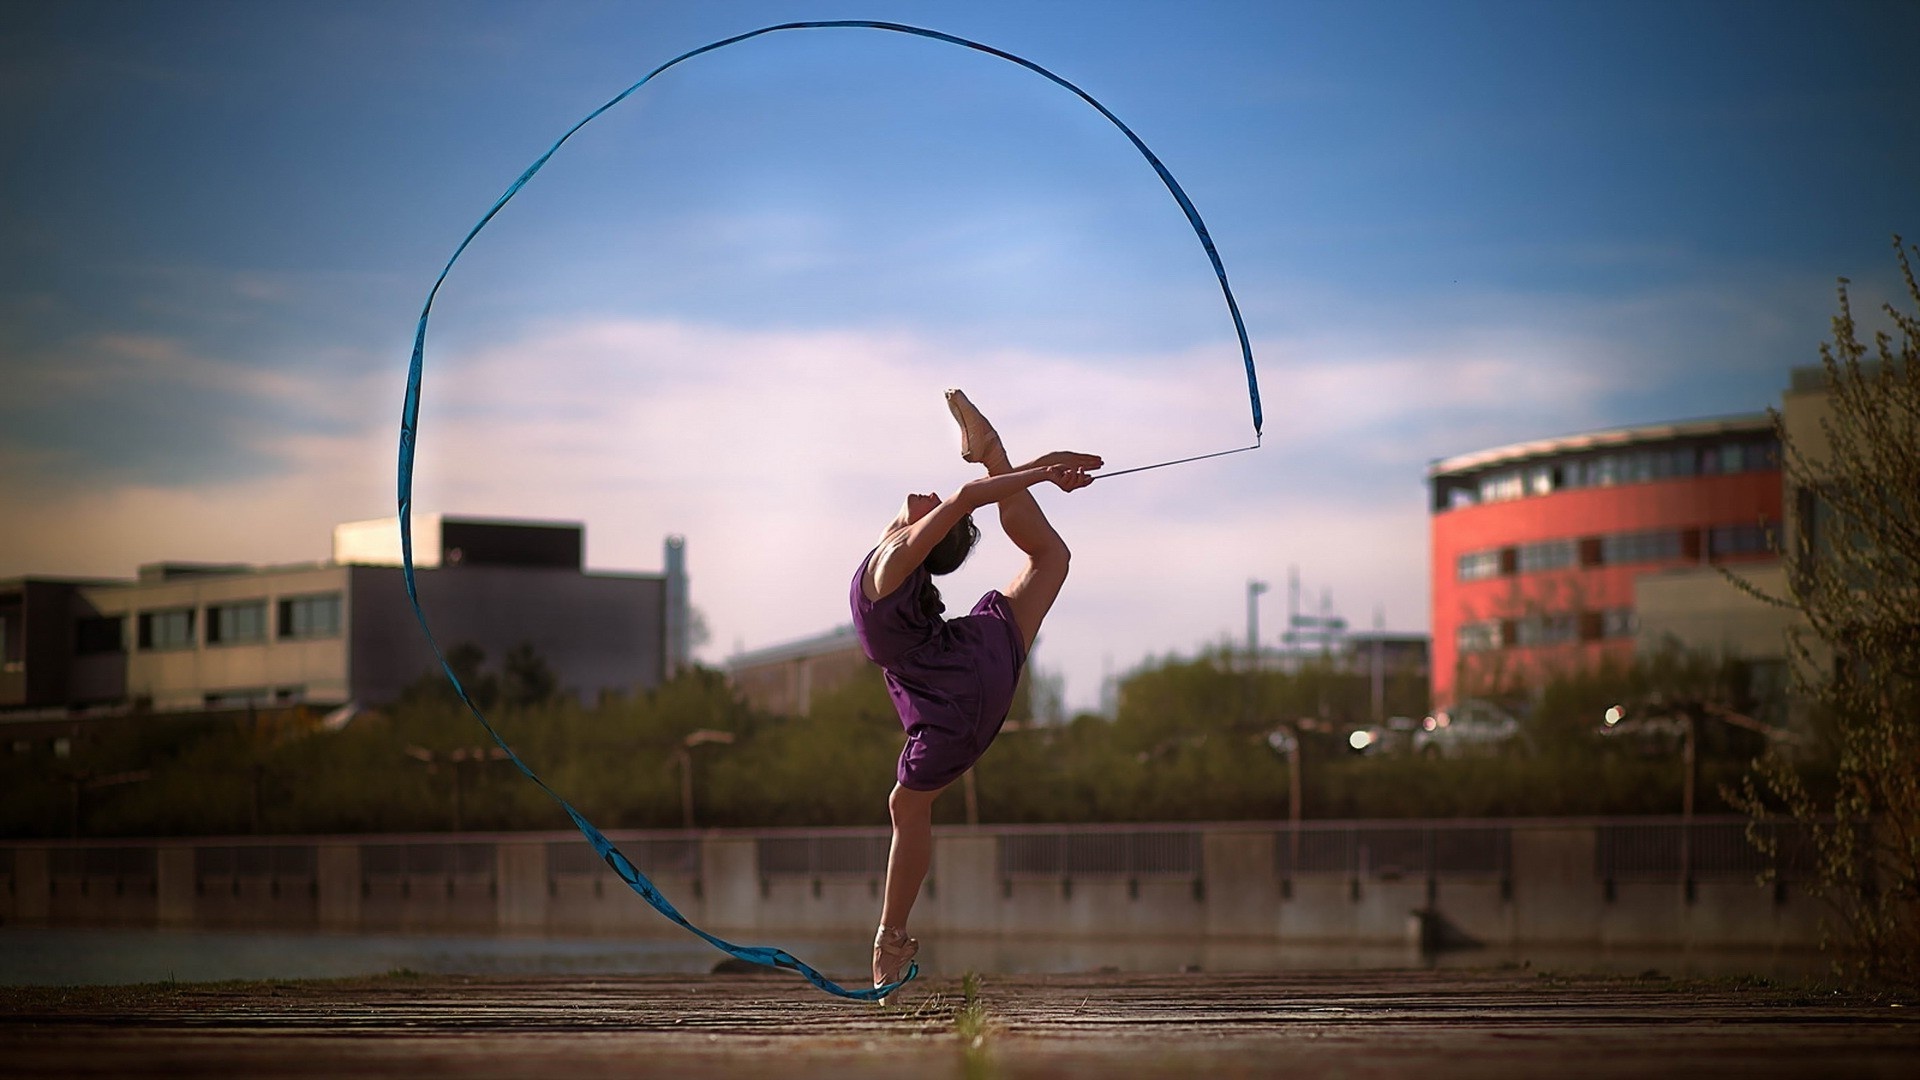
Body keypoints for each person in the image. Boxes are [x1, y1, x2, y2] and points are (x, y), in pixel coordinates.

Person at [852, 389, 1101, 996]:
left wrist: (1041, 471)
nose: (932, 500)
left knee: (906, 809)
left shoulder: (893, 561)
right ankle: (989, 451)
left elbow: (962, 506)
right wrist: (1035, 470)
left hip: (956, 684)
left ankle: (890, 938)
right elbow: (958, 506)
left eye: (936, 515)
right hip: (956, 673)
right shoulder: (894, 554)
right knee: (1052, 558)